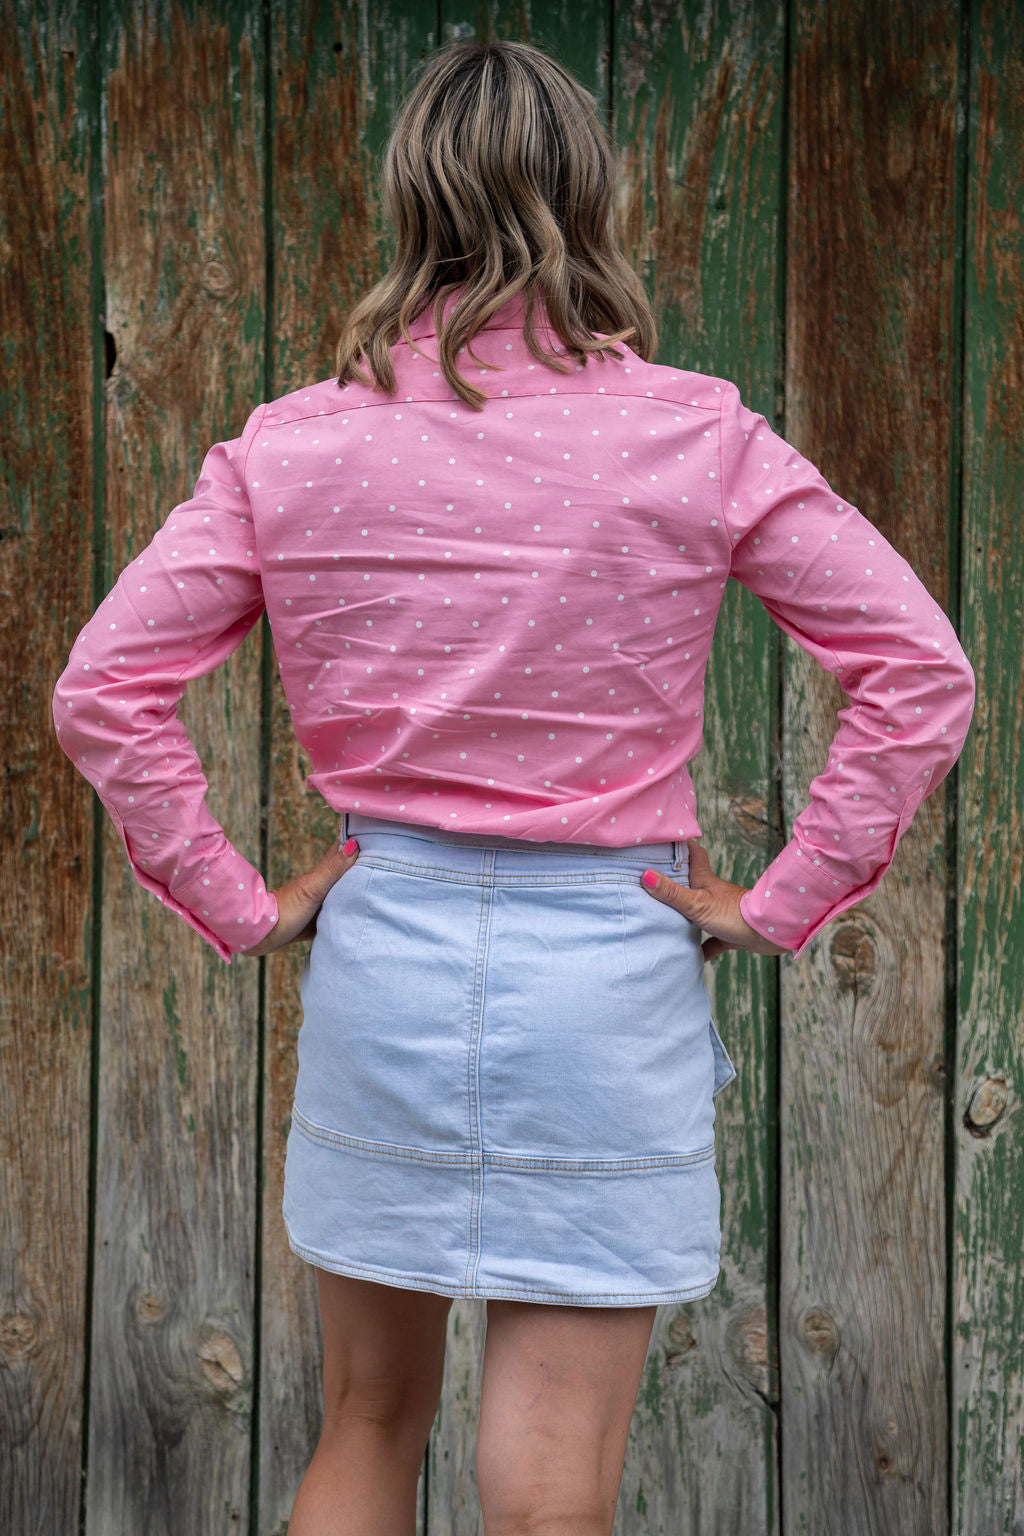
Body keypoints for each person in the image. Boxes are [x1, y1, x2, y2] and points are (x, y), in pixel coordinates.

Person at [52, 35, 975, 1536]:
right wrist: (783, 900)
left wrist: (240, 900)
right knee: (550, 1494)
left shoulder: (293, 448)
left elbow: (102, 688)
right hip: (606, 984)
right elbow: (921, 671)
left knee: (366, 1426)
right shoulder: (695, 435)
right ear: (590, 197)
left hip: (386, 964)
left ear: (409, 198)